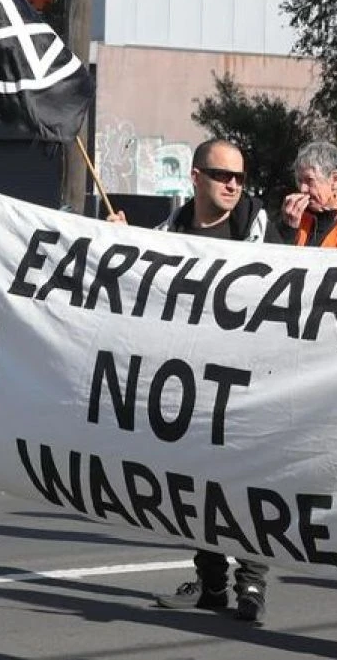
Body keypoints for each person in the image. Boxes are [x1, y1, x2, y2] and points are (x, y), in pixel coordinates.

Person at [110, 139, 281, 622]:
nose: (233, 185)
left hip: (249, 385)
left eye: (240, 178)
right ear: (195, 177)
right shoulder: (171, 232)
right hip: (188, 387)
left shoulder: (259, 231)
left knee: (247, 485)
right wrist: (119, 243)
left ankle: (251, 585)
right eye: (222, 175)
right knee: (193, 487)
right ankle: (211, 583)